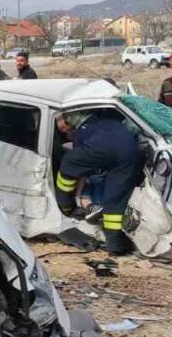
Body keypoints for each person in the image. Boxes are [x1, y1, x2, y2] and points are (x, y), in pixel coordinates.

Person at [54, 109, 145, 256]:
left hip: (109, 151)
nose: (66, 135)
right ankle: (116, 246)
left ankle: (65, 206)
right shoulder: (105, 121)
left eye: (65, 131)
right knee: (116, 199)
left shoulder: (81, 133)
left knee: (68, 165)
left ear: (68, 121)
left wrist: (75, 201)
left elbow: (79, 173)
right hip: (129, 151)